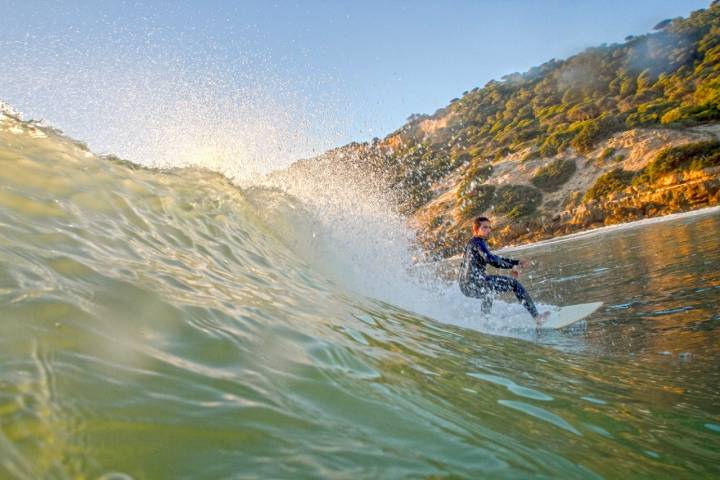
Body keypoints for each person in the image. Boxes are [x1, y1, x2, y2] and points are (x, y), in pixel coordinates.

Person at [458, 216, 548, 326]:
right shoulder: (477, 242)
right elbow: (491, 260)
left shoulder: (473, 243)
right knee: (514, 284)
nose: (489, 230)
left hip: (465, 286)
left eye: (489, 227)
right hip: (473, 283)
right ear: (476, 230)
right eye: (485, 227)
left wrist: (516, 262)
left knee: (489, 292)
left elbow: (493, 257)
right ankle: (537, 317)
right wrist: (512, 266)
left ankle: (484, 323)